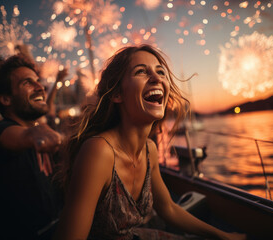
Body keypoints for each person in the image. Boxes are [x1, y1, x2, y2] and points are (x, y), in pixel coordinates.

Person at [53, 45, 247, 240]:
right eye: (141, 72)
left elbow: (169, 208)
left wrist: (222, 236)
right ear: (116, 94)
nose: (157, 78)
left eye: (160, 72)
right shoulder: (99, 151)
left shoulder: (149, 149)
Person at [0, 54, 63, 240]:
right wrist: (39, 134)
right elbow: (24, 136)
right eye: (28, 83)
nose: (40, 87)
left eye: (38, 81)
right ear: (5, 99)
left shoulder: (35, 128)